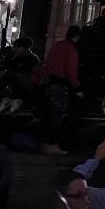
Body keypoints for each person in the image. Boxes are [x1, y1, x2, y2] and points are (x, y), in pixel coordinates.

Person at [42, 26, 82, 155]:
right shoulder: (71, 49)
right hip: (61, 85)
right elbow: (71, 71)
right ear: (77, 37)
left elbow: (47, 63)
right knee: (57, 116)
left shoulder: (57, 45)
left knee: (49, 114)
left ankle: (46, 142)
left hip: (50, 84)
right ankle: (52, 144)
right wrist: (77, 86)